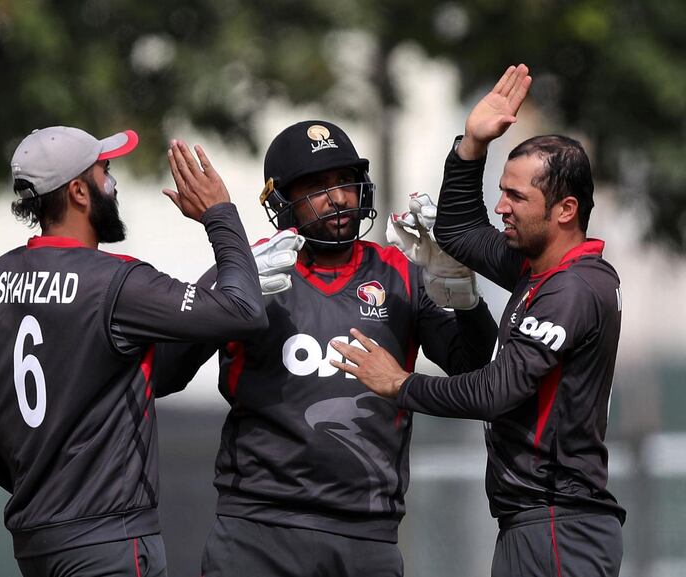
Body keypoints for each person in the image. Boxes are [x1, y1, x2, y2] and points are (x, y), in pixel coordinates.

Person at [152, 120, 498, 577]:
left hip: (366, 534)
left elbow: (470, 365)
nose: (337, 198)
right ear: (281, 201)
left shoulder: (401, 273)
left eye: (345, 182)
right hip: (257, 529)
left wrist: (463, 296)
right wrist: (223, 300)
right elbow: (163, 374)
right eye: (317, 186)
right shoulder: (248, 270)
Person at [0, 126, 268, 577]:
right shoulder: (114, 279)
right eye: (105, 171)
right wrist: (221, 216)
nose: (112, 182)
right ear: (78, 192)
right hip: (109, 542)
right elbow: (245, 312)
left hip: (38, 543)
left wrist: (32, 483)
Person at [330, 64, 625, 577]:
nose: (500, 206)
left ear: (565, 209)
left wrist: (400, 384)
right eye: (502, 190)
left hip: (560, 526)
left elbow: (495, 392)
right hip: (535, 523)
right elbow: (461, 230)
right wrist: (470, 145)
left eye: (517, 197)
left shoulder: (575, 288)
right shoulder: (539, 268)